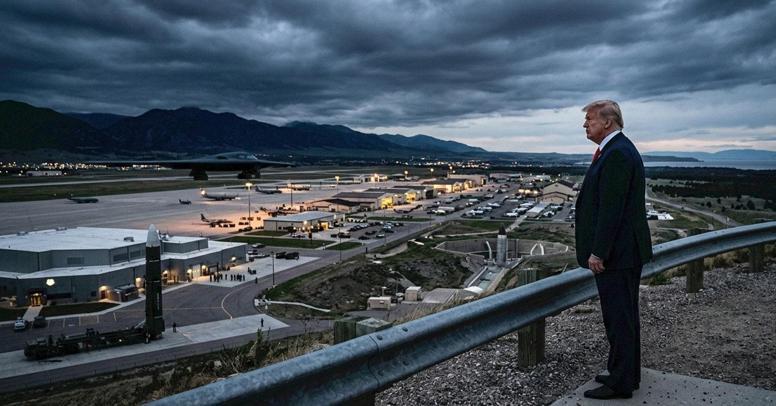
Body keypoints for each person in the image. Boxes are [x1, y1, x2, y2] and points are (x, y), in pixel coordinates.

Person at [575, 100, 653, 400]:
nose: (585, 124)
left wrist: (599, 252)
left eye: (589, 119)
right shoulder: (616, 149)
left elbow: (612, 209)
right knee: (624, 317)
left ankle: (620, 383)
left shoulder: (617, 153)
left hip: (618, 255)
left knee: (619, 318)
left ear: (607, 122)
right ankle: (626, 374)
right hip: (624, 252)